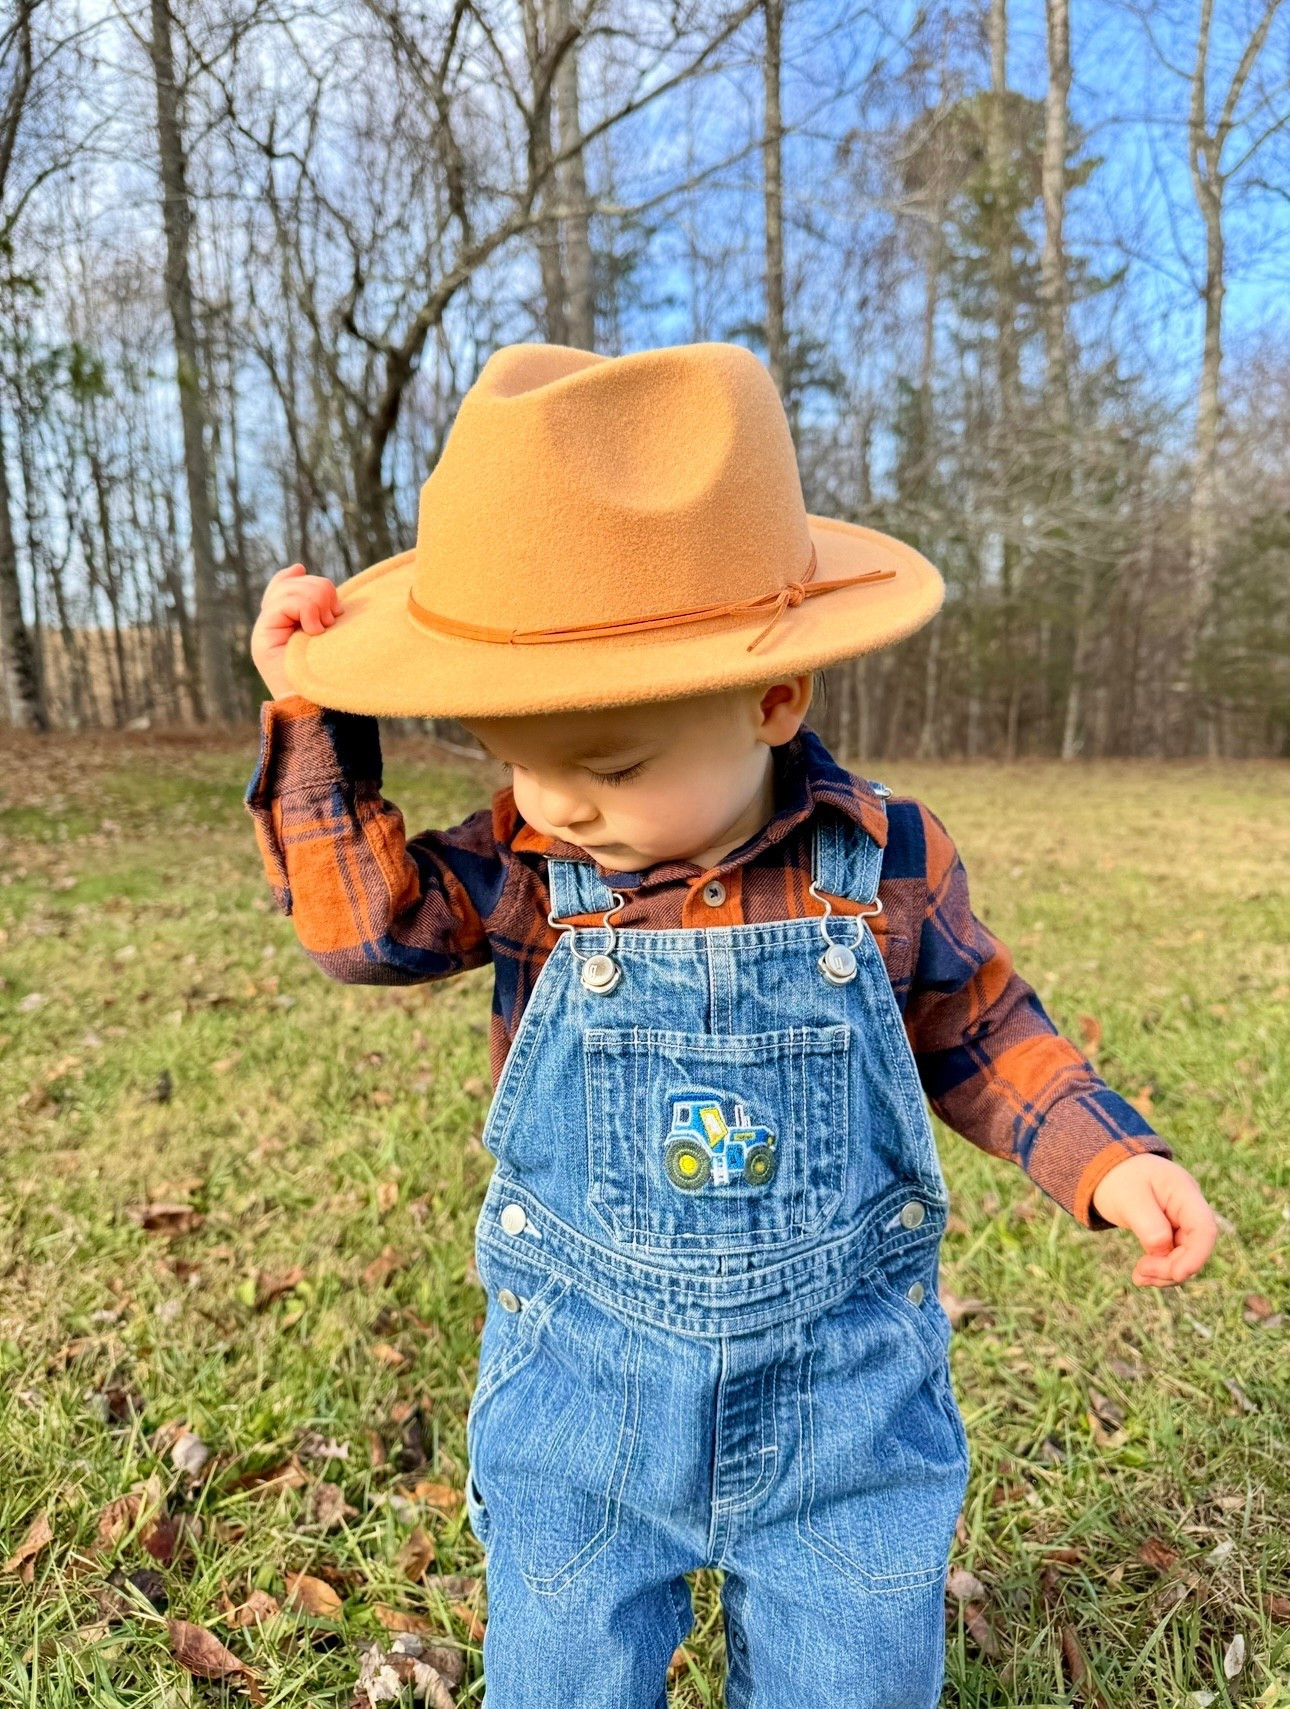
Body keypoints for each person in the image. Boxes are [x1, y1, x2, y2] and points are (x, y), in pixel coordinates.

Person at [246, 341, 1217, 1709]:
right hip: (581, 1380)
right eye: (515, 752)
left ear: (773, 698)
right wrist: (310, 714)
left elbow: (979, 1022)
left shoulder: (881, 860)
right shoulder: (527, 867)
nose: (553, 798)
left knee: (853, 1668)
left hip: (844, 1396)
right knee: (560, 1659)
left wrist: (1106, 1159)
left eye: (611, 762)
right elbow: (362, 929)